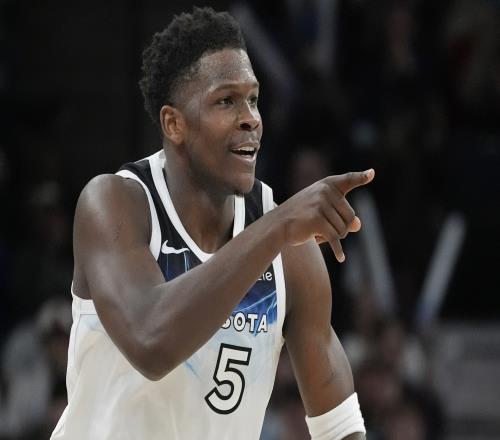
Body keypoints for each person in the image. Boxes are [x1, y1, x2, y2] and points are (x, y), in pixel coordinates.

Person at [51, 7, 374, 440]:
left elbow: (341, 428)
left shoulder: (288, 246)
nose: (251, 118)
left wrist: (277, 227)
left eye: (253, 99)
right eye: (226, 100)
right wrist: (277, 227)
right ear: (174, 123)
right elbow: (151, 342)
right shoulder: (115, 203)